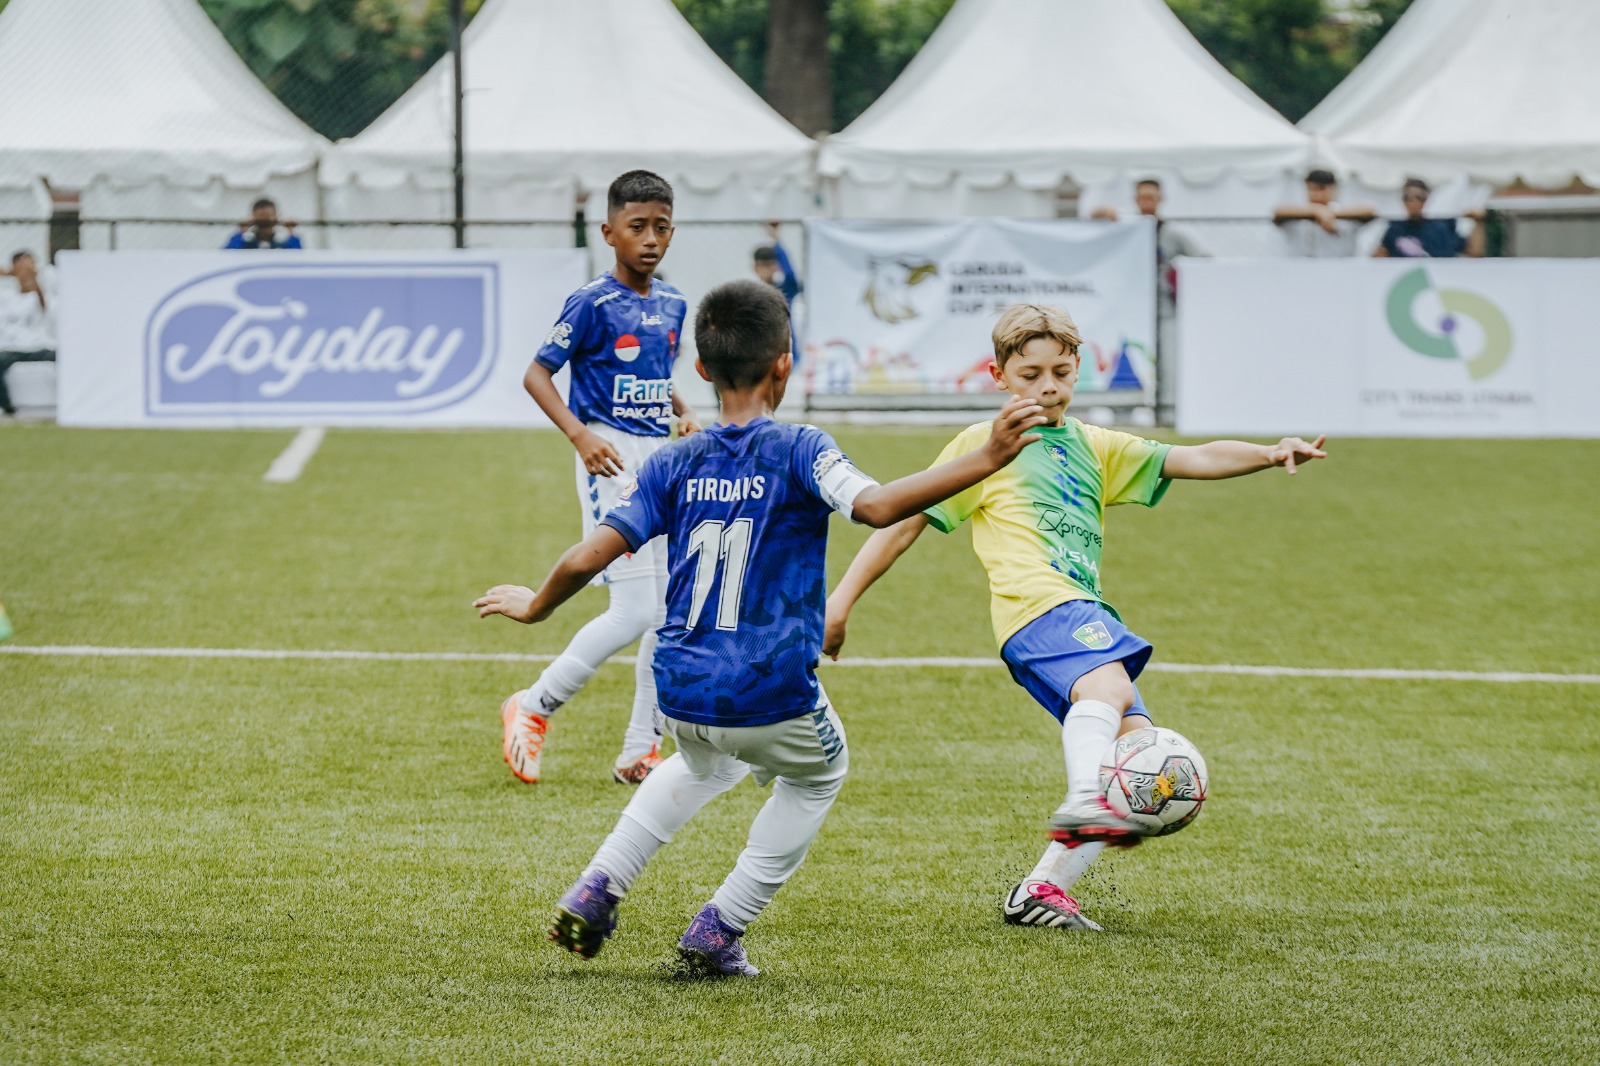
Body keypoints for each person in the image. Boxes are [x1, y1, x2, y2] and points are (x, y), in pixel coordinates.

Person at [475, 279, 1048, 975]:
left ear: (703, 370)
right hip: (769, 687)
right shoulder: (802, 448)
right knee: (820, 775)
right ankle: (721, 928)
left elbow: (589, 553)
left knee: (700, 763)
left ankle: (598, 885)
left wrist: (537, 604)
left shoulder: (672, 460)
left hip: (680, 689)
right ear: (786, 362)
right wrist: (986, 458)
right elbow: (874, 507)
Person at [823, 302, 1326, 932]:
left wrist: (1268, 451)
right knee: (1111, 692)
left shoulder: (1095, 444)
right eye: (1031, 375)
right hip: (1039, 608)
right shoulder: (984, 447)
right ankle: (1085, 796)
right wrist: (840, 603)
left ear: (1078, 368)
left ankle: (1042, 889)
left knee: (1134, 746)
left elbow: (1190, 458)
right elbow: (906, 522)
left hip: (1075, 610)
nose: (1049, 387)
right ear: (999, 375)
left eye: (1061, 372)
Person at [507, 170, 703, 786]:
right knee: (635, 606)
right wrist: (581, 435)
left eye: (661, 227)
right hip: (609, 457)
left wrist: (681, 410)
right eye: (638, 227)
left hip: (660, 459)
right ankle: (533, 706)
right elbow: (538, 374)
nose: (650, 239)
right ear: (609, 232)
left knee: (669, 609)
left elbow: (653, 372)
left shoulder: (672, 302)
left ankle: (639, 748)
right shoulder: (591, 302)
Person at [1092, 179, 1208, 421]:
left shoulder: (1172, 231)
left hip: (1163, 307)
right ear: (1135, 199)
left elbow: (1205, 258)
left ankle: (1168, 414)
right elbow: (1092, 221)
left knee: (1167, 363)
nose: (1146, 202)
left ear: (1160, 199)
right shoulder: (1125, 225)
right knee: (1125, 359)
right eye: (1142, 197)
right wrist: (1103, 213)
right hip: (1128, 308)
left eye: (1151, 197)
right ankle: (1121, 413)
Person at [0, 251, 56, 418]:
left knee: (69, 358)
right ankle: (8, 408)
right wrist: (10, 274)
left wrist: (30, 277)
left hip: (40, 347)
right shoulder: (6, 296)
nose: (25, 271)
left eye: (29, 265)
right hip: (12, 349)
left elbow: (41, 301)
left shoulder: (43, 294)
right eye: (21, 266)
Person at [1273, 169, 1376, 257]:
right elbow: (1278, 211)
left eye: (1321, 188)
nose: (1315, 194)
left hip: (1340, 270)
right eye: (1311, 189)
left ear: (1333, 189)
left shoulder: (1345, 212)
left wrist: (1329, 213)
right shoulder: (1297, 213)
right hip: (1301, 270)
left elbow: (1369, 209)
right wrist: (1316, 211)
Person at [1374, 179, 1486, 258]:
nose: (1412, 202)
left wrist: (1478, 221)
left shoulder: (1441, 227)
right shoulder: (1394, 228)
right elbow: (1381, 254)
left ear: (1426, 200)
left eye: (1418, 197)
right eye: (1407, 197)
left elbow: (1475, 252)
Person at [752, 222, 802, 362]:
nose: (767, 269)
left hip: (786, 353)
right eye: (763, 265)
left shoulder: (784, 290)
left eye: (770, 265)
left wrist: (777, 241)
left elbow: (791, 277)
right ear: (755, 267)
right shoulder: (750, 293)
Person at [224, 198, 302, 250]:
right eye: (261, 216)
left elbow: (297, 256)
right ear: (253, 217)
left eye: (268, 217)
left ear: (276, 216)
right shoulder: (246, 243)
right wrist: (241, 231)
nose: (265, 222)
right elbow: (228, 254)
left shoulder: (281, 243)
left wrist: (291, 232)